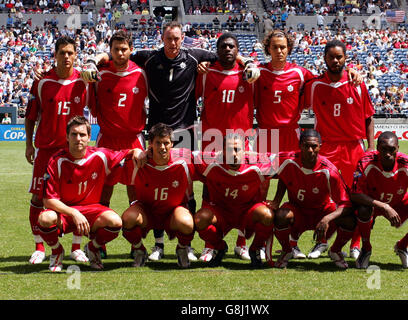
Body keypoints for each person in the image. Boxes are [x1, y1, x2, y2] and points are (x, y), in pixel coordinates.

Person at [82, 21, 260, 261]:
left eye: (176, 39)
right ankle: (157, 243)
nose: (173, 43)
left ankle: (187, 244)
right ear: (162, 38)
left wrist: (248, 62)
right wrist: (93, 61)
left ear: (182, 38)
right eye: (168, 39)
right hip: (157, 133)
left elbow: (226, 53)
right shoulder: (149, 59)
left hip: (185, 131)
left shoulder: (195, 57)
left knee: (186, 190)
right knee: (152, 188)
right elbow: (116, 54)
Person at [255, 31, 362, 259]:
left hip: (291, 135)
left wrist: (351, 70)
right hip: (264, 135)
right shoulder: (258, 71)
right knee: (259, 191)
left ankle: (292, 241)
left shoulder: (301, 74)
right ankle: (253, 243)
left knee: (296, 185)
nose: (279, 51)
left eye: (283, 47)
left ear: (289, 48)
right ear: (268, 49)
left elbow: (330, 76)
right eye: (275, 47)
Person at [36, 116, 143, 271]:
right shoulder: (56, 160)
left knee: (115, 222)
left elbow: (127, 153)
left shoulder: (100, 155)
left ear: (89, 137)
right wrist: (73, 213)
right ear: (67, 137)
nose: (78, 139)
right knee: (45, 218)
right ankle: (57, 251)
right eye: (74, 134)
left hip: (92, 211)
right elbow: (48, 201)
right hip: (65, 212)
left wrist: (137, 150)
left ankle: (93, 248)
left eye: (82, 135)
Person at [303, 39, 375, 260]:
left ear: (345, 59)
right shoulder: (313, 86)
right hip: (326, 147)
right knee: (327, 198)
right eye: (331, 57)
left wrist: (371, 148)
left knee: (356, 197)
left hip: (354, 147)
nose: (335, 61)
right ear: (324, 58)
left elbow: (368, 118)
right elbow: (302, 113)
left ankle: (355, 243)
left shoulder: (358, 84)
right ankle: (322, 241)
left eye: (339, 57)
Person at [25, 36, 92, 265]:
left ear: (76, 55)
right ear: (54, 55)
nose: (66, 56)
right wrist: (28, 144)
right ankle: (39, 246)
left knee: (75, 198)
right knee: (38, 198)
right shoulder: (42, 81)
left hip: (72, 150)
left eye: (70, 53)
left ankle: (75, 247)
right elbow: (31, 115)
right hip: (45, 149)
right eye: (62, 52)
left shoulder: (83, 81)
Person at [195, 32, 257, 261]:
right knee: (209, 189)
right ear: (217, 50)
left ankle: (242, 242)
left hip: (241, 141)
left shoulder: (250, 74)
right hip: (212, 141)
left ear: (238, 50)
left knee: (245, 191)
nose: (228, 50)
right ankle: (211, 243)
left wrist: (247, 62)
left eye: (232, 47)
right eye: (223, 47)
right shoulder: (205, 73)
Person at [86, 31, 148, 258]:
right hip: (107, 140)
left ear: (131, 49)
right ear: (109, 51)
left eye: (124, 49)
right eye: (115, 49)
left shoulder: (142, 73)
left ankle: (136, 243)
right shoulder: (99, 74)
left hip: (133, 139)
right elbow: (91, 106)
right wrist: (95, 59)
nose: (120, 53)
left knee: (137, 194)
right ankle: (99, 243)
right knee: (103, 194)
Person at [270, 129, 356, 269]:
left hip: (322, 212)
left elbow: (346, 204)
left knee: (350, 219)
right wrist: (276, 201)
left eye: (314, 146)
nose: (310, 150)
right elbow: (262, 166)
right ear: (300, 145)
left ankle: (335, 250)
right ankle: (287, 250)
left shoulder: (329, 171)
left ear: (320, 146)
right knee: (280, 216)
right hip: (297, 211)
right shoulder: (287, 160)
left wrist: (327, 219)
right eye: (306, 146)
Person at [351, 131, 408, 269]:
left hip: (398, 203)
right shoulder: (366, 161)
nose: (387, 154)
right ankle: (366, 249)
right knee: (362, 209)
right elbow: (355, 193)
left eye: (392, 150)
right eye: (383, 149)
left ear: (398, 148)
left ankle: (402, 246)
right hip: (374, 205)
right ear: (377, 148)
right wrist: (385, 207)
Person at [119, 123, 196, 268]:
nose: (162, 147)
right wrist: (133, 150)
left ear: (172, 144)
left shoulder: (184, 159)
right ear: (150, 144)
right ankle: (139, 249)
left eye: (166, 143)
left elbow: (213, 156)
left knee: (187, 222)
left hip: (172, 212)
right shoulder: (139, 161)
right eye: (158, 143)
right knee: (128, 218)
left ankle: (181, 248)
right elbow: (113, 156)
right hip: (147, 212)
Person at [193, 133, 275, 268]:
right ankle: (220, 247)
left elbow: (285, 161)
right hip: (221, 212)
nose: (234, 154)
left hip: (246, 213)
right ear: (223, 151)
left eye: (237, 149)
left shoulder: (257, 164)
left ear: (245, 150)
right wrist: (149, 153)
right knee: (199, 219)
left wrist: (277, 199)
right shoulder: (211, 163)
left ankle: (255, 249)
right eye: (230, 149)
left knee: (267, 215)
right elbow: (186, 154)